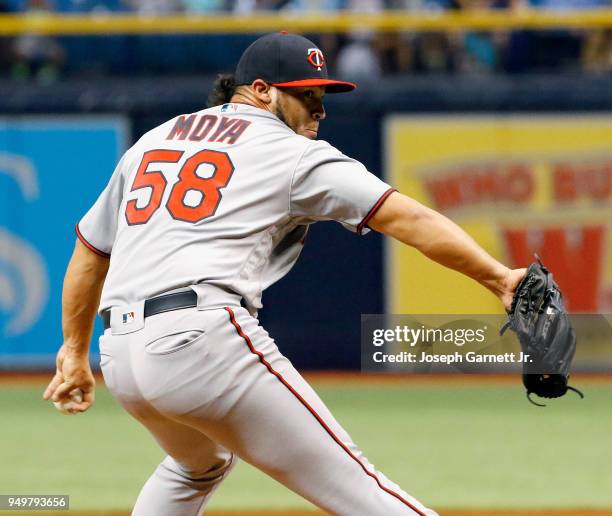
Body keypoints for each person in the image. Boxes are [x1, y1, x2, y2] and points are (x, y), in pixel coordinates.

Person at [43, 32, 525, 516]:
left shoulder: (157, 138)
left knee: (196, 466)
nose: (319, 110)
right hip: (202, 341)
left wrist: (74, 352)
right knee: (361, 492)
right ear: (261, 90)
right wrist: (500, 278)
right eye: (305, 94)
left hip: (122, 356)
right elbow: (407, 218)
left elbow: (90, 251)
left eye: (321, 96)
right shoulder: (290, 152)